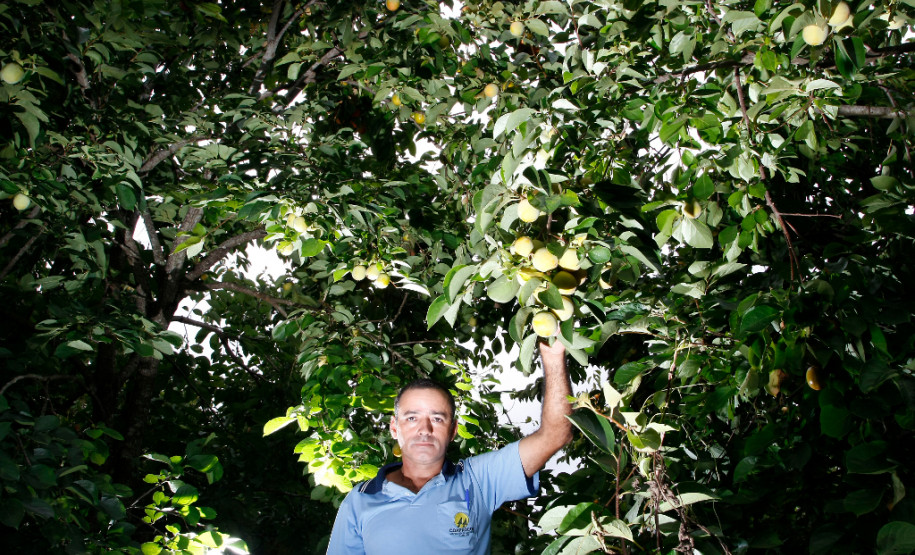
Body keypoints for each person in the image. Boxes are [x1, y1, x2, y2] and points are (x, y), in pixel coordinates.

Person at [326, 340, 572, 554]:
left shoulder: (477, 481)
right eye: (412, 418)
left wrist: (553, 357)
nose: (424, 429)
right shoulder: (359, 500)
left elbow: (555, 435)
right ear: (394, 428)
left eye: (437, 418)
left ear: (453, 430)